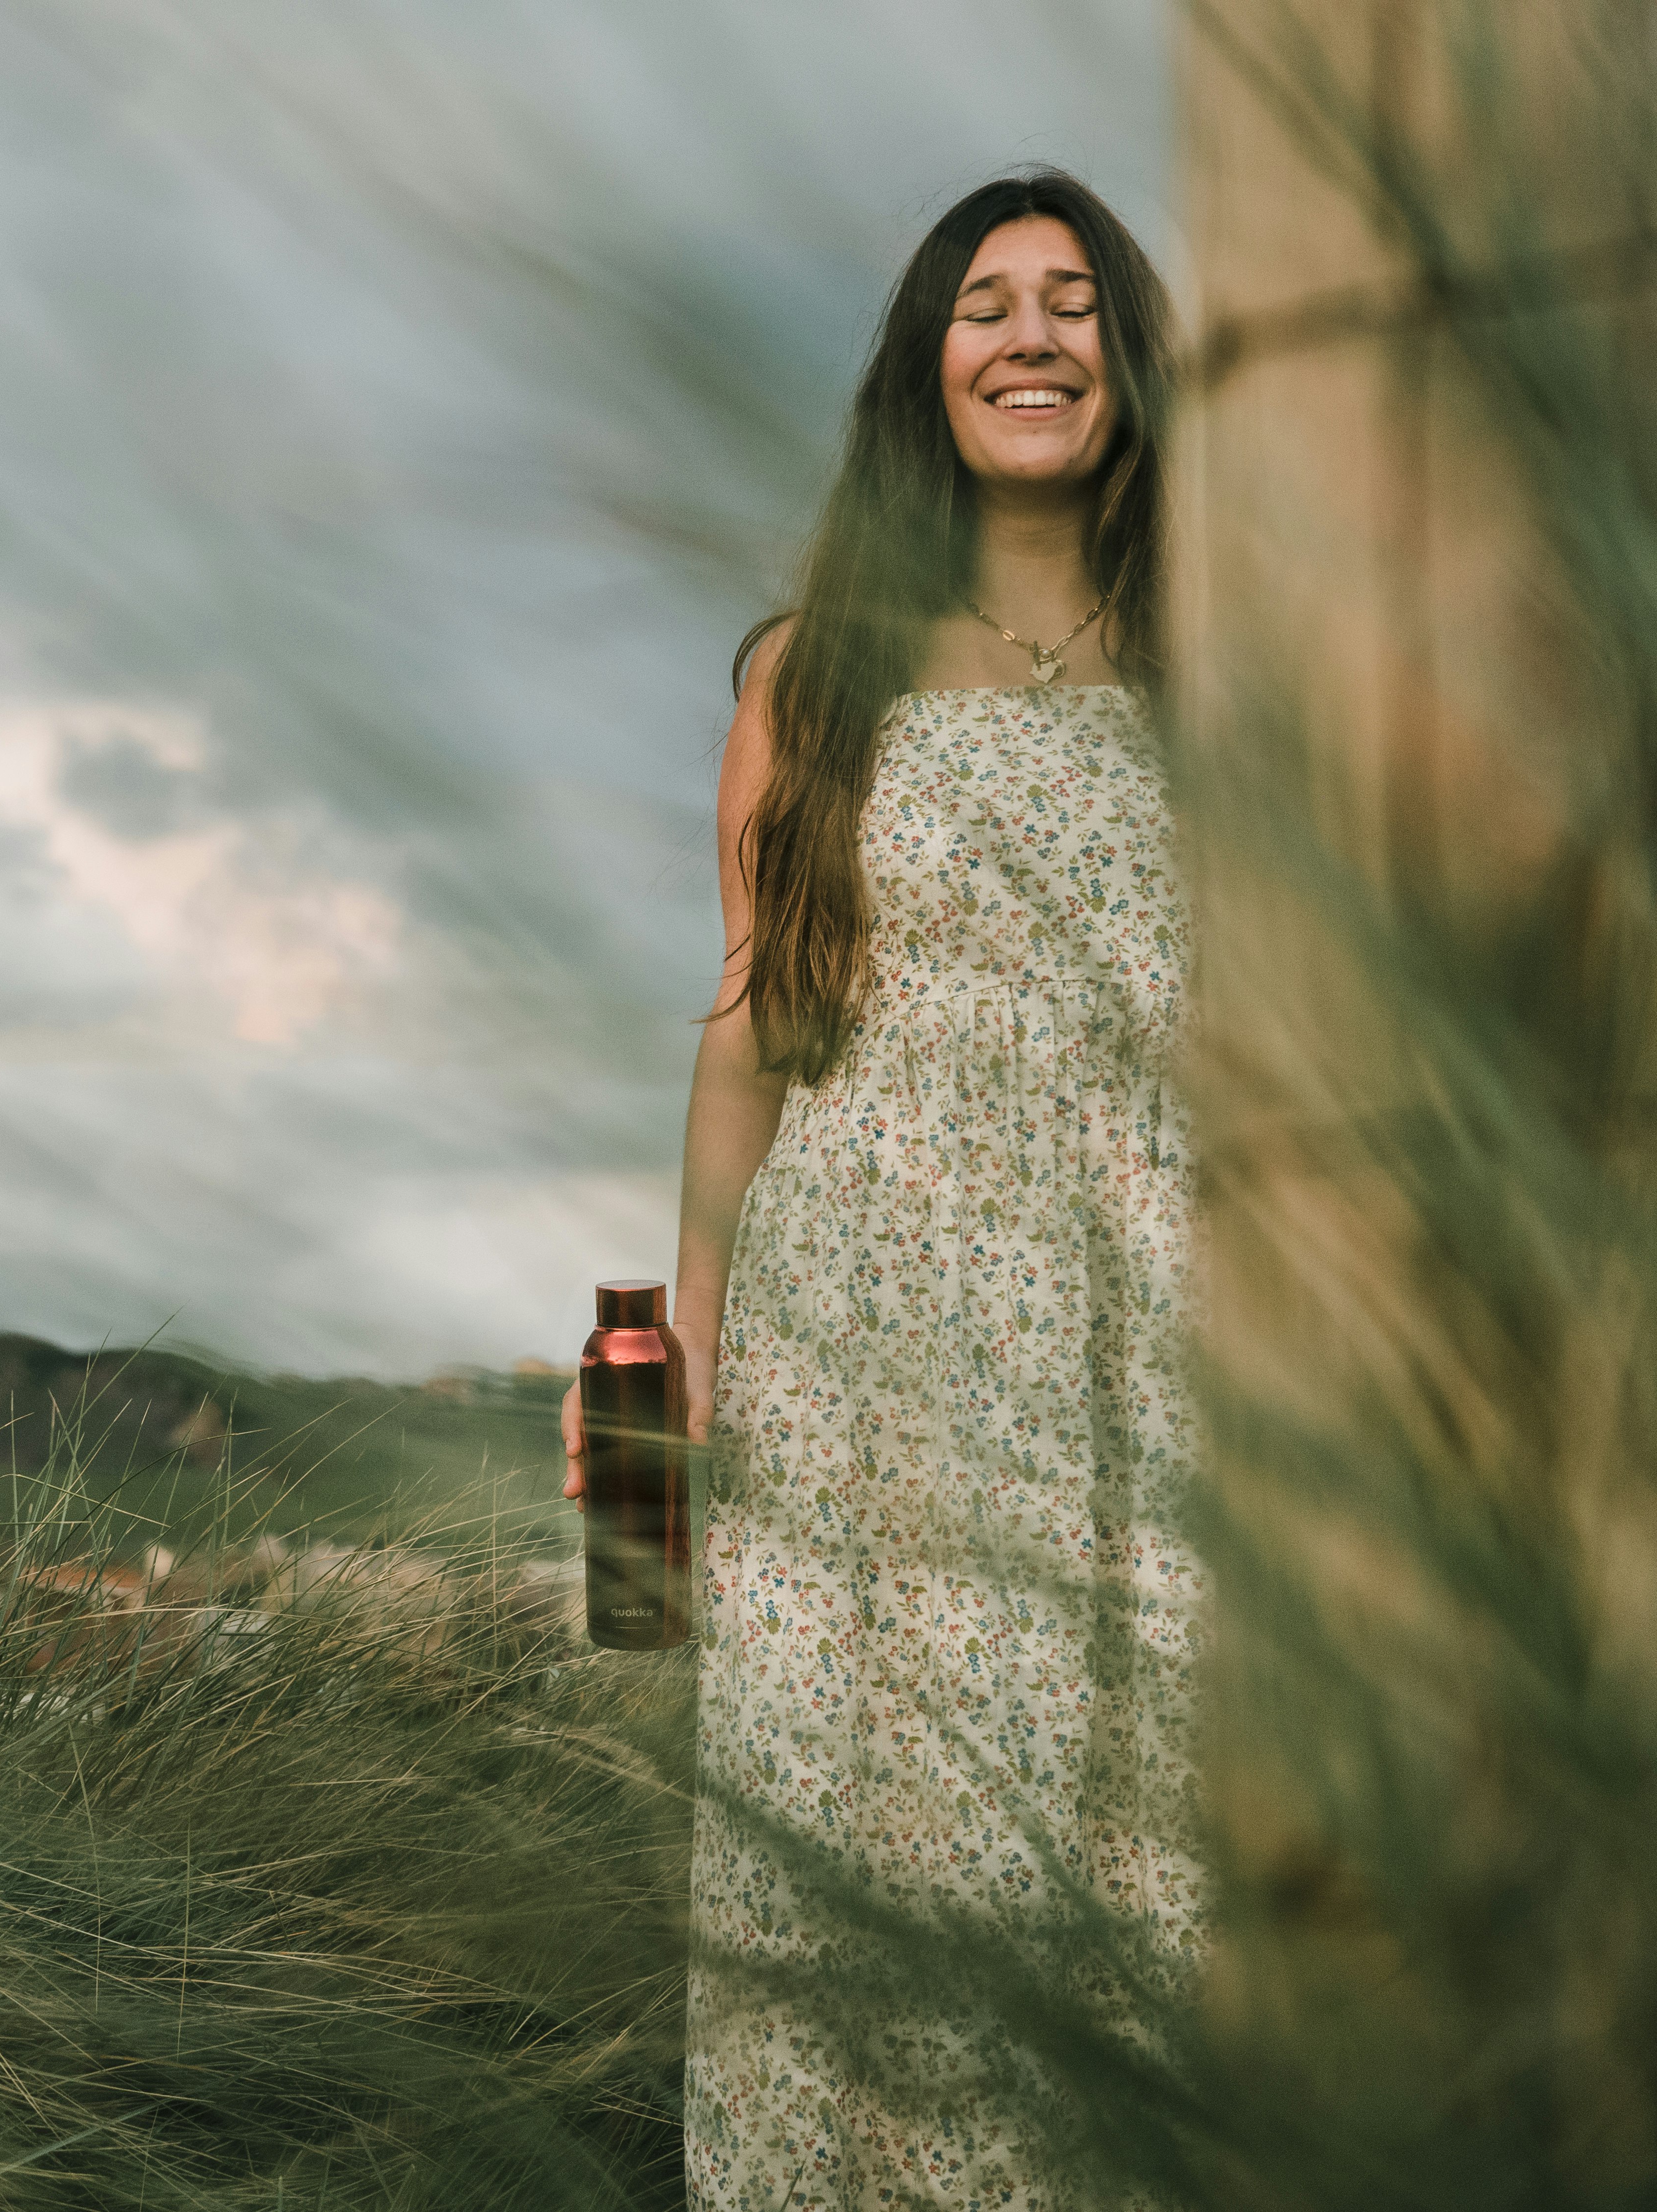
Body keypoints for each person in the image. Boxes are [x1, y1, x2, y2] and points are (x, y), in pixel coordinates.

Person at [562, 170, 1201, 2208]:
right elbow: (747, 1027)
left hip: (1149, 1314)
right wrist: (689, 1373)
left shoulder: (1227, 660)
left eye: (1075, 299)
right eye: (985, 302)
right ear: (923, 365)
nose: (1031, 334)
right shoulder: (811, 662)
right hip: (868, 1313)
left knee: (1135, 1829)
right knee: (866, 1825)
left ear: (1132, 355)